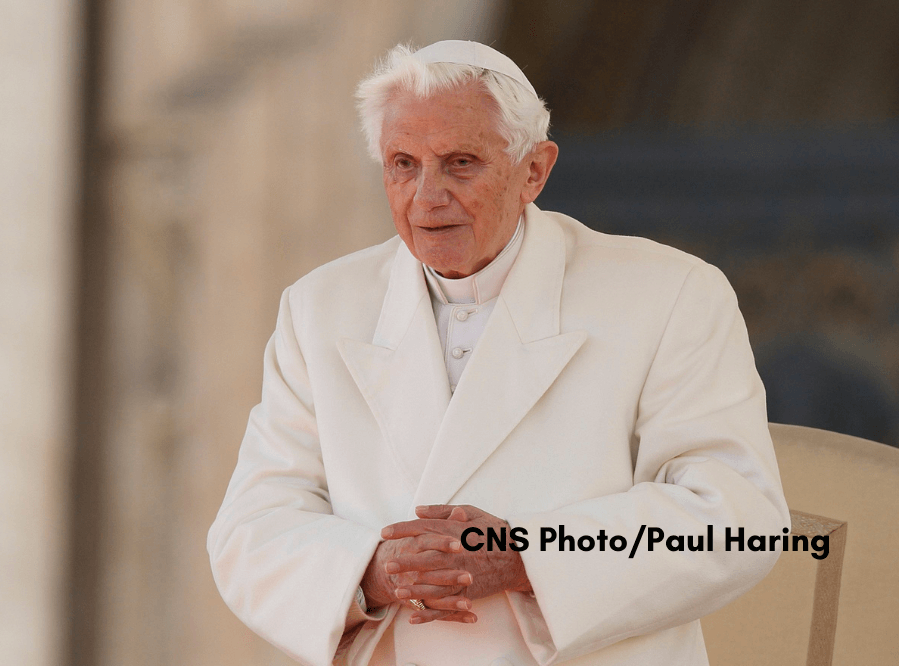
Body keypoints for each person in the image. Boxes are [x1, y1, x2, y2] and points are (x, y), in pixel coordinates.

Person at [207, 40, 789, 666]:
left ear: (534, 170)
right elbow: (251, 531)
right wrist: (375, 570)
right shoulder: (319, 307)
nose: (427, 197)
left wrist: (523, 558)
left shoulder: (671, 294)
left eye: (460, 163)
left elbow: (737, 519)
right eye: (403, 163)